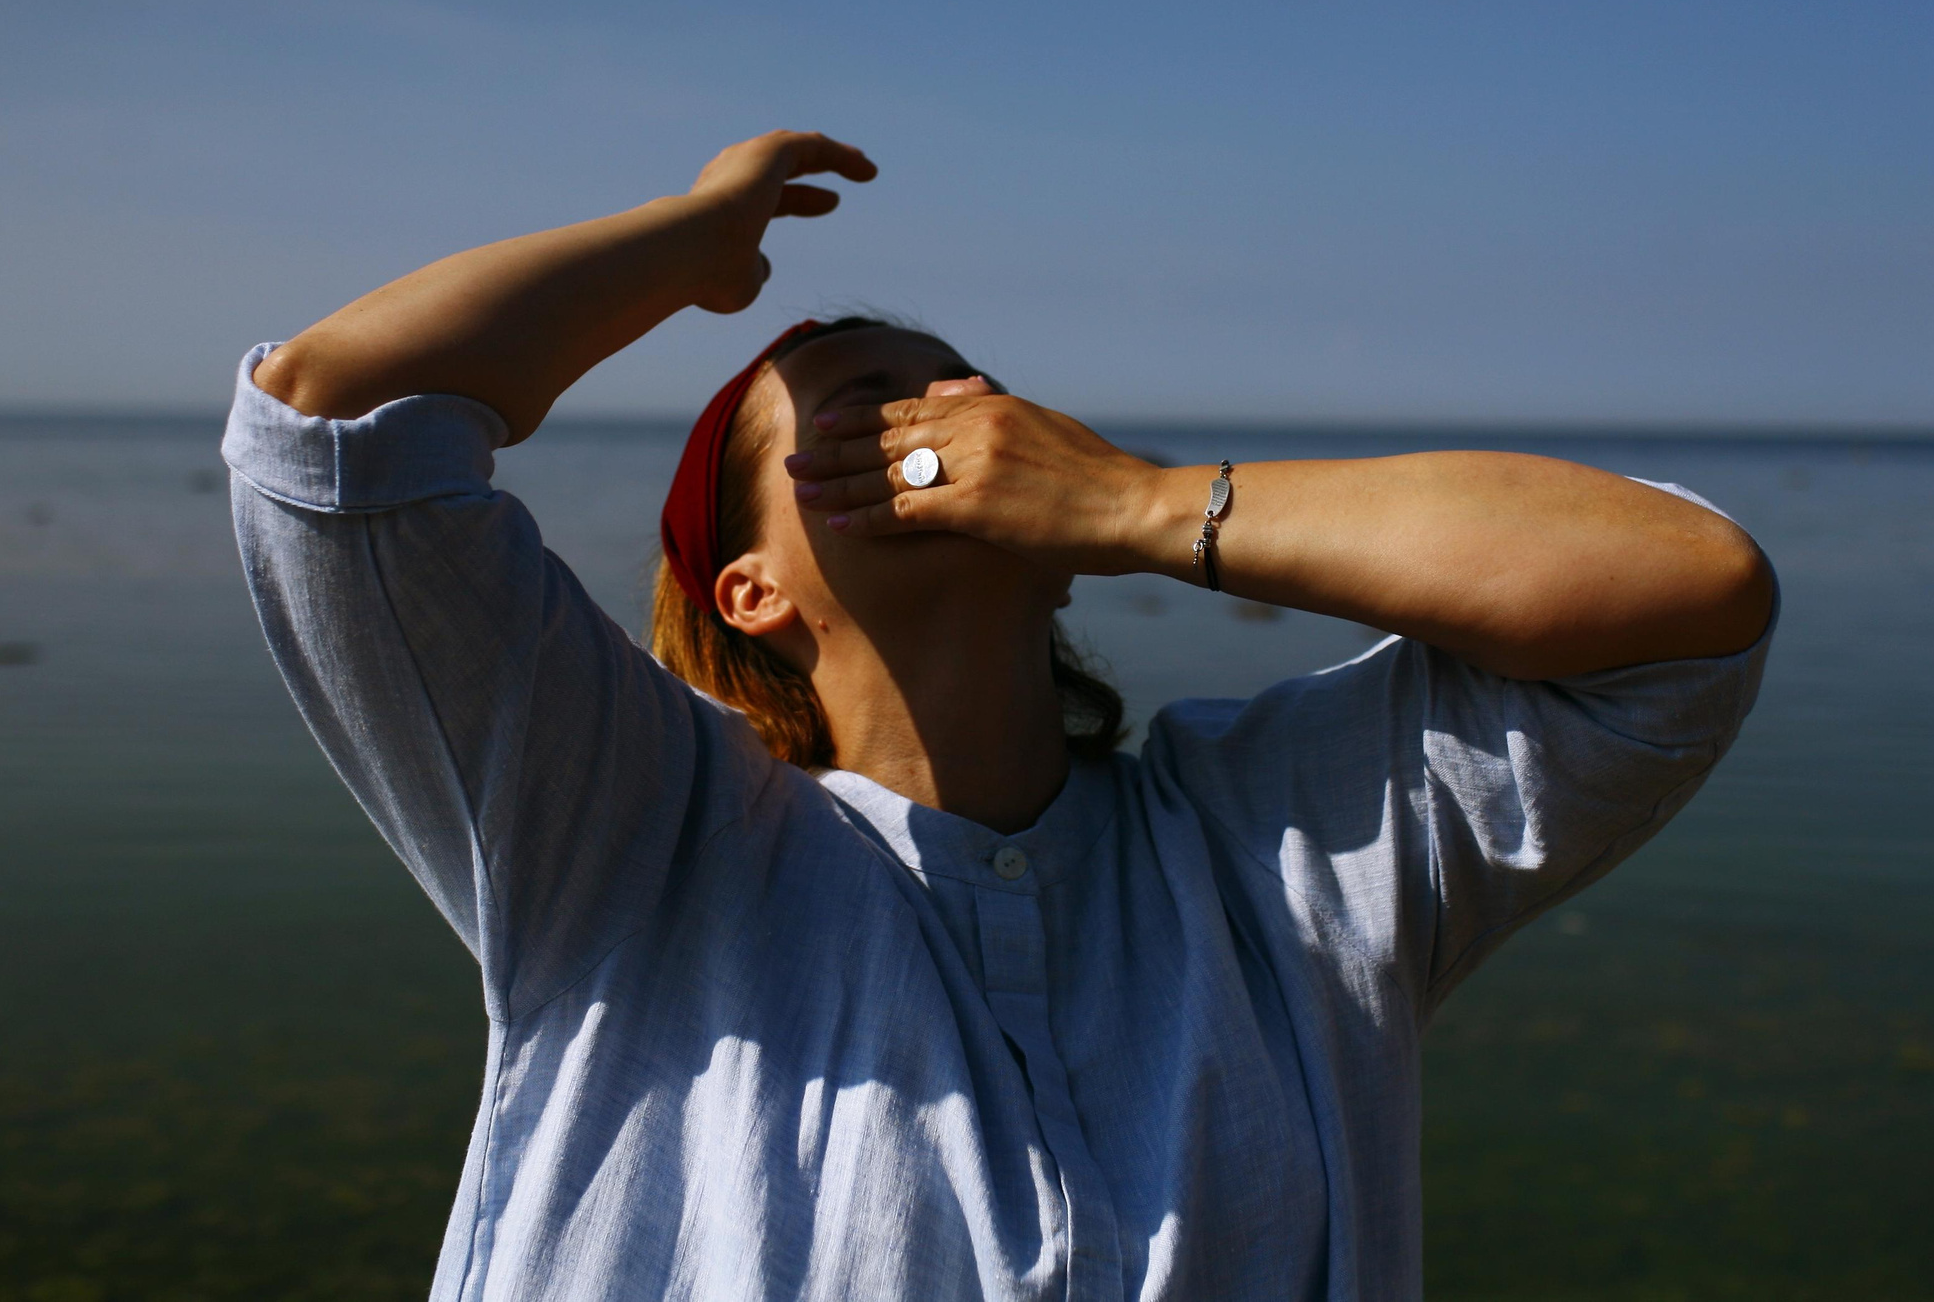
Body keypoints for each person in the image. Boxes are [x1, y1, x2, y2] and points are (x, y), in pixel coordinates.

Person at [225, 130, 1777, 1301]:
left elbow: (1687, 595)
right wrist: (691, 248)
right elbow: (332, 423)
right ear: (752, 587)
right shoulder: (632, 835)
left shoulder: (1270, 845)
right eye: (858, 417)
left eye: (974, 405)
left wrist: (1142, 501)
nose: (940, 426)